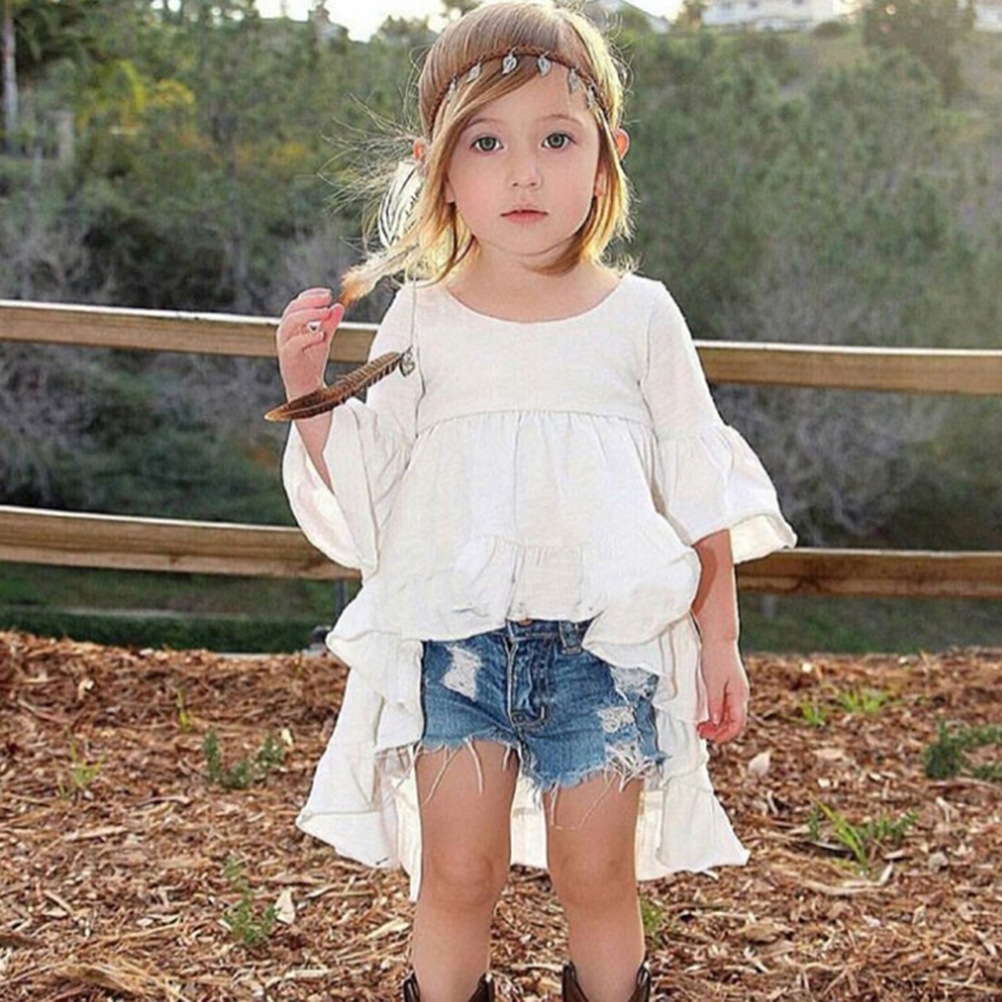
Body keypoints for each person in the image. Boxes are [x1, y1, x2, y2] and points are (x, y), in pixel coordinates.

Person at [275, 3, 796, 1001]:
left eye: (556, 139)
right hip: (457, 650)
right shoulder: (423, 316)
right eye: (487, 143)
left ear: (605, 159)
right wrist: (310, 392)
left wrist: (720, 641)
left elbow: (697, 490)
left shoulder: (642, 318)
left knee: (595, 875)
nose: (523, 174)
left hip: (606, 654)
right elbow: (378, 487)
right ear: (439, 168)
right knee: (457, 874)